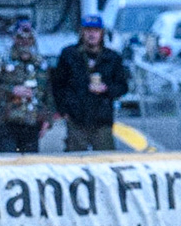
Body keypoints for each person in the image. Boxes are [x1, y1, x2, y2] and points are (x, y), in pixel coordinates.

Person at [49, 13, 129, 152]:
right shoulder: (69, 55)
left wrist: (106, 89)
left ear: (102, 33)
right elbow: (57, 84)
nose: (92, 34)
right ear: (82, 32)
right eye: (88, 30)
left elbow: (122, 86)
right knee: (76, 158)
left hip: (102, 119)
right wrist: (63, 110)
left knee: (105, 157)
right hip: (76, 118)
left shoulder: (112, 57)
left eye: (96, 30)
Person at [0, 21, 51, 153]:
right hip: (7, 123)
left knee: (31, 163)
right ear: (14, 38)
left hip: (32, 124)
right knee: (8, 162)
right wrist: (11, 90)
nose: (25, 42)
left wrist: (48, 119)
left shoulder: (40, 63)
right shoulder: (1, 60)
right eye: (20, 38)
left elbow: (47, 93)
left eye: (29, 38)